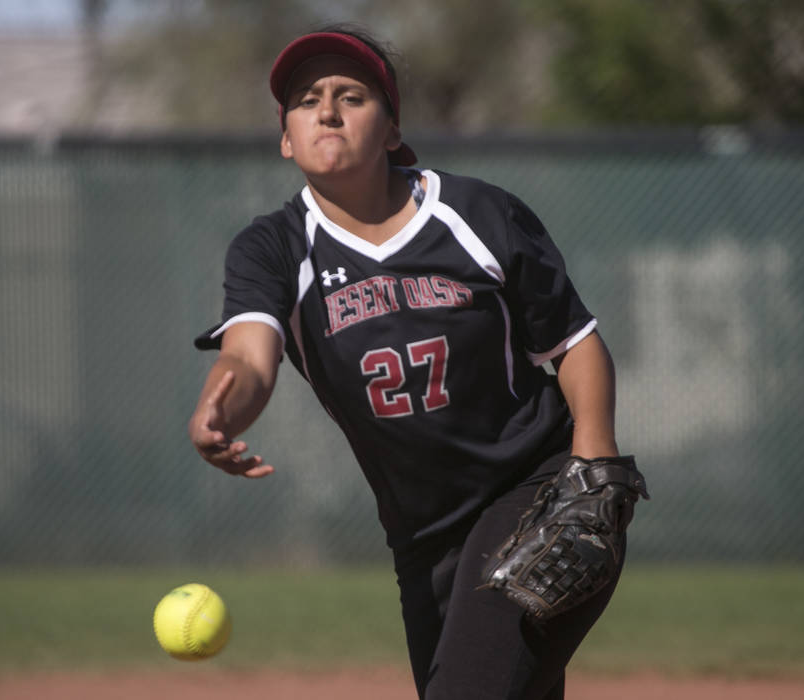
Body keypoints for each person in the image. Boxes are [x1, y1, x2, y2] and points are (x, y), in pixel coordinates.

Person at [190, 25, 631, 700]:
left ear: (393, 129)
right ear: (286, 139)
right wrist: (218, 404)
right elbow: (251, 357)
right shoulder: (274, 249)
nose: (328, 110)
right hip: (421, 537)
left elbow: (573, 344)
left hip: (535, 489)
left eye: (352, 95)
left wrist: (594, 466)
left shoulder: (475, 213)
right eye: (306, 100)